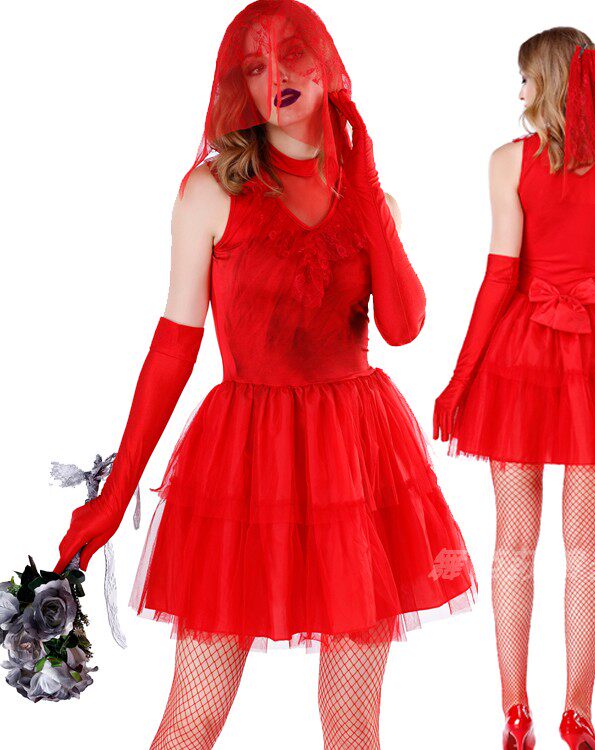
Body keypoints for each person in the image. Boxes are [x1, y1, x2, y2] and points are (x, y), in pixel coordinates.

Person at [53, 2, 476, 748]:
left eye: (292, 54)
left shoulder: (371, 201)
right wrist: (115, 497)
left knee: (353, 725)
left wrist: (367, 184)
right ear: (239, 87)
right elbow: (173, 348)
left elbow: (404, 327)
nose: (276, 74)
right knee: (193, 717)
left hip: (356, 464)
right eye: (255, 65)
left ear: (328, 65)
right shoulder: (211, 192)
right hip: (246, 462)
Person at [433, 27, 595, 750]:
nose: (518, 90)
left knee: (513, 544)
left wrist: (460, 378)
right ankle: (577, 712)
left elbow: (500, 277)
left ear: (549, 82)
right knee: (587, 545)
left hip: (519, 353)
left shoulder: (509, 162)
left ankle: (514, 711)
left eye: (526, 77)